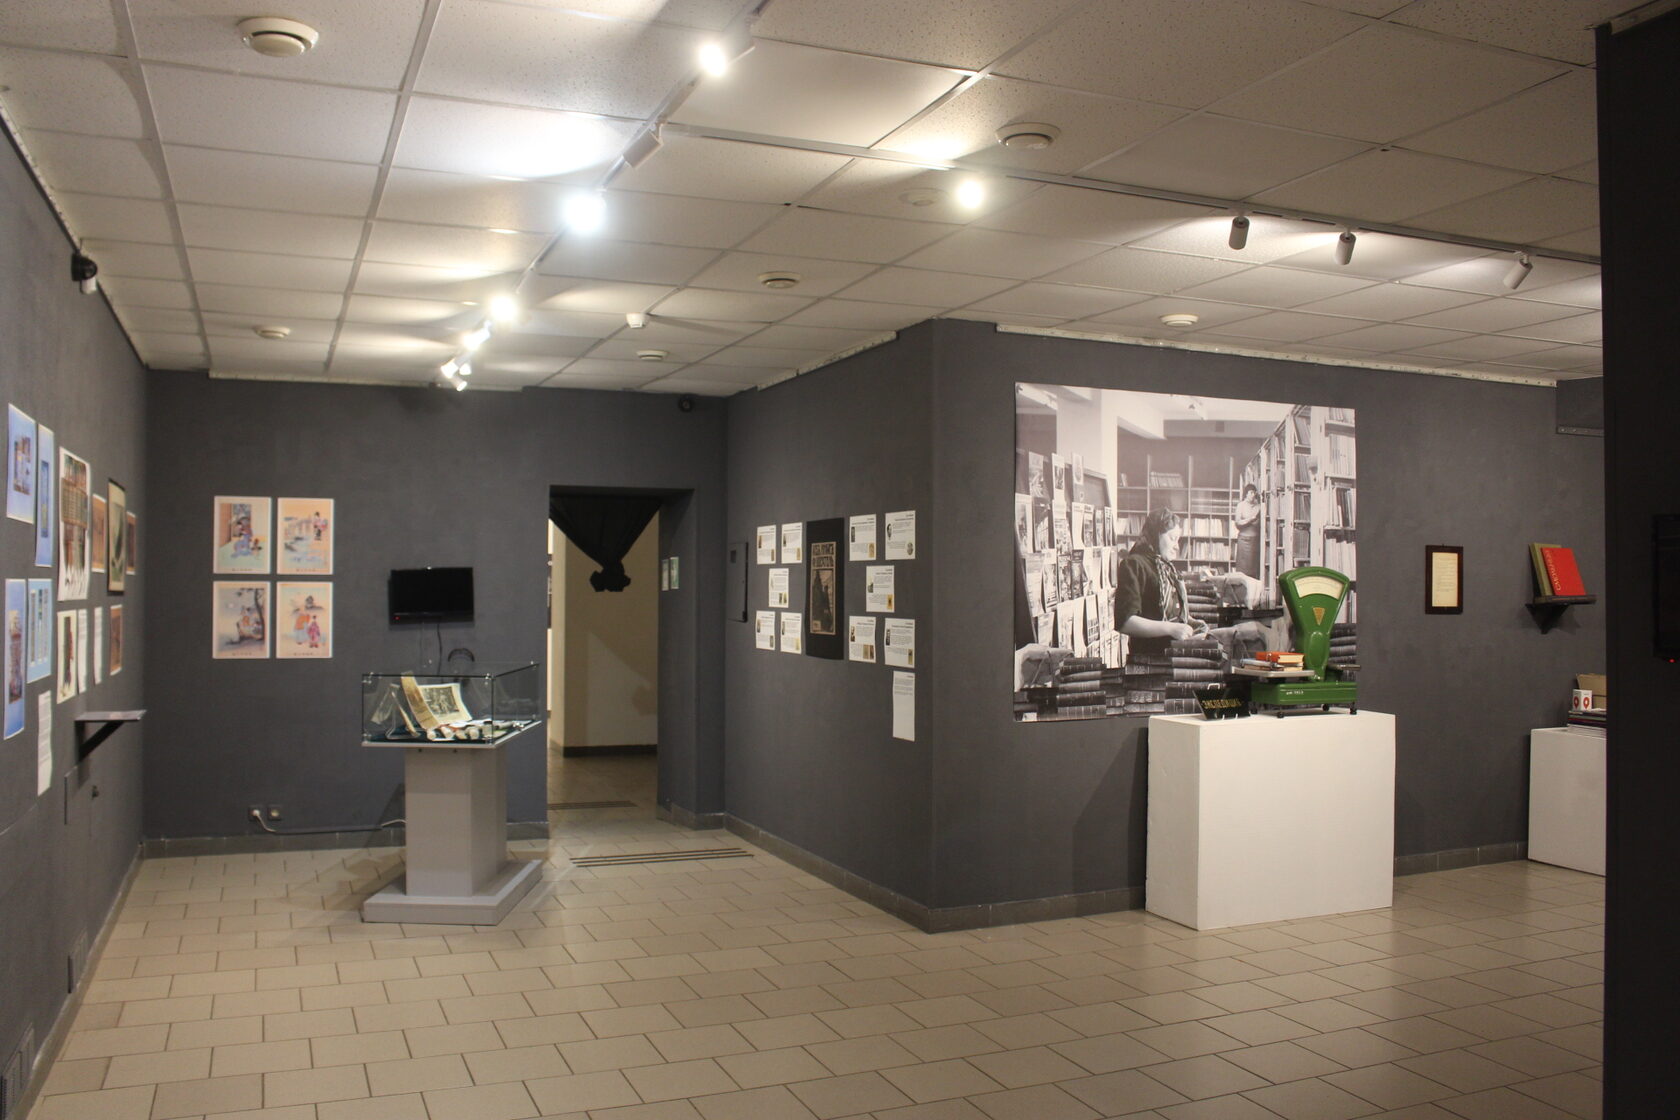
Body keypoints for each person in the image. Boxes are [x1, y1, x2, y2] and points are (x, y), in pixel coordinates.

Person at [1115, 508, 1204, 655]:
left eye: (1178, 540)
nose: (1177, 546)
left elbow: (1171, 613)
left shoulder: (1166, 567)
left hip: (1175, 655)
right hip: (1149, 658)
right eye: (1172, 538)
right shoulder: (1133, 564)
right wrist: (1171, 628)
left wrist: (1192, 623)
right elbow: (1125, 622)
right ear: (1156, 535)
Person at [1233, 482, 1262, 578]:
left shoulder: (1259, 506)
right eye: (1251, 493)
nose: (1253, 495)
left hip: (1255, 541)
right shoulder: (1241, 505)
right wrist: (1250, 520)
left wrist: (1250, 521)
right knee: (1242, 569)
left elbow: (1260, 524)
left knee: (1254, 569)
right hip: (1243, 540)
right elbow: (1237, 523)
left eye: (1254, 493)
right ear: (1246, 493)